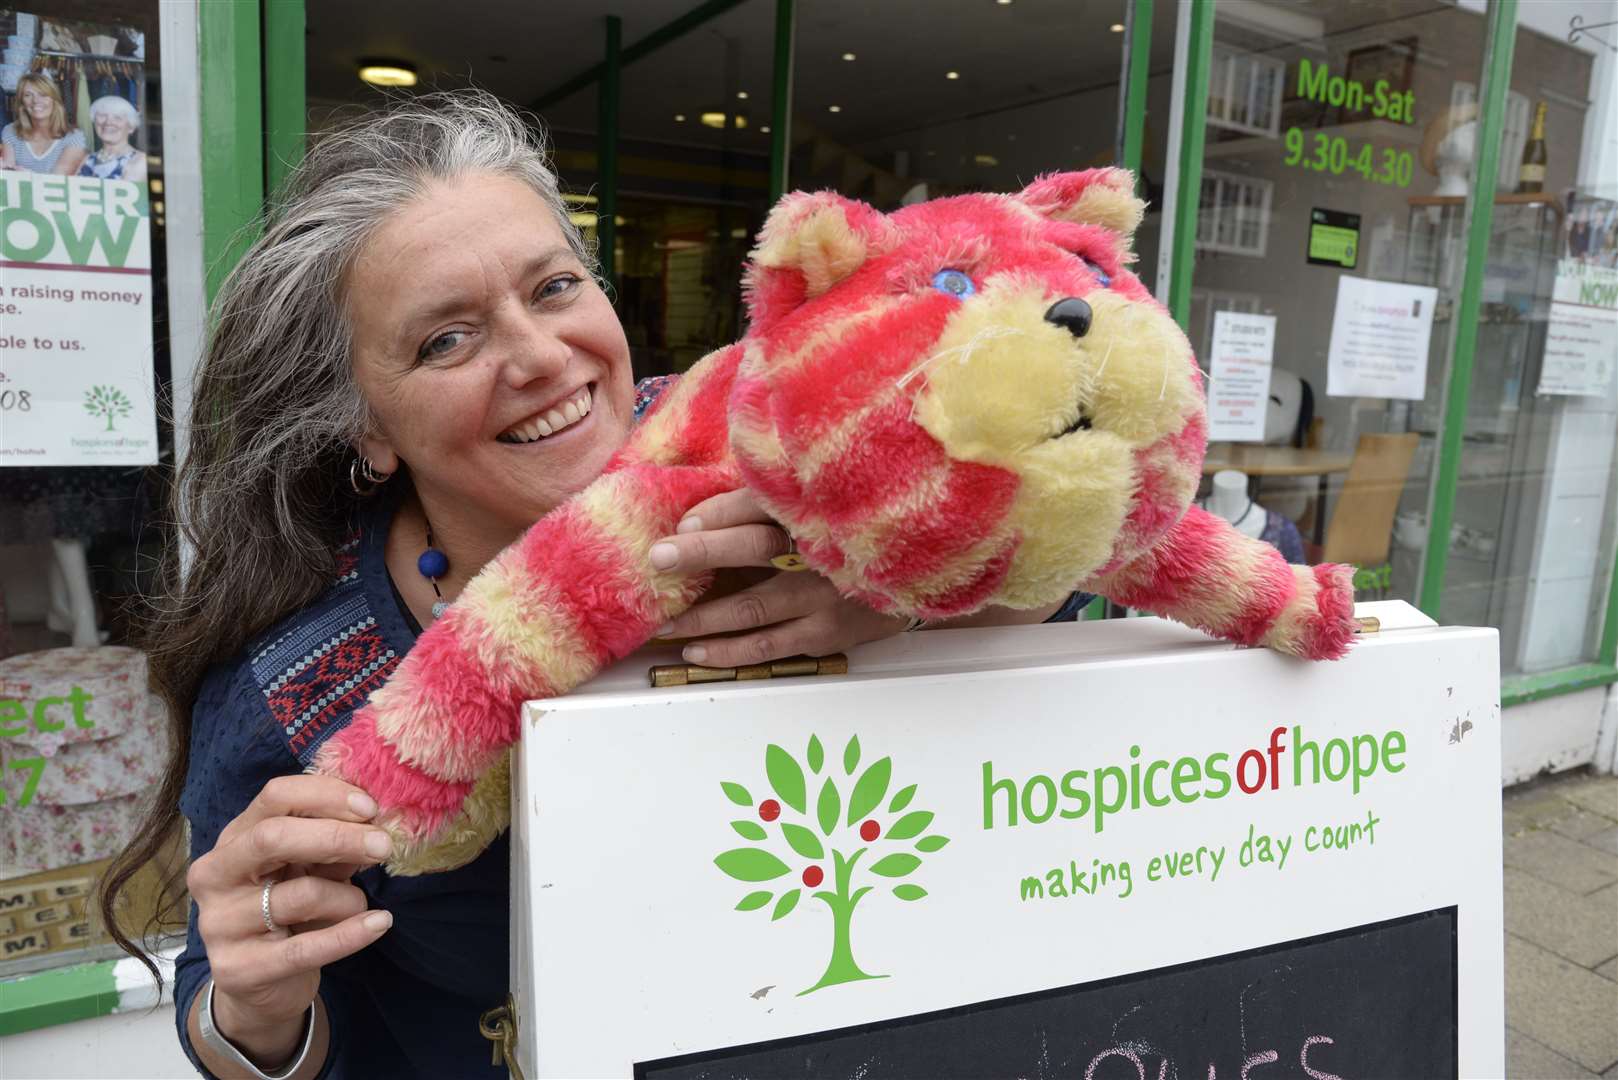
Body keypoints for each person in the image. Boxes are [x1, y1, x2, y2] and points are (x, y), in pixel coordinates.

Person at [100, 90, 1085, 1079]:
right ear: (367, 426)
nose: (538, 357)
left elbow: (1089, 573)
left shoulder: (797, 454)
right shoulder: (294, 688)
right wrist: (254, 1007)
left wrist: (922, 583)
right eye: (446, 340)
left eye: (554, 288)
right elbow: (241, 1022)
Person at [0, 72, 87, 175]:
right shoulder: (10, 131)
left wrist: (27, 174)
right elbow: (9, 177)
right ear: (22, 102)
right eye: (28, 95)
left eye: (43, 95)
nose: (36, 101)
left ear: (55, 100)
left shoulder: (74, 137)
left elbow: (58, 183)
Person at [77, 95, 147, 183]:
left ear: (131, 127)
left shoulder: (140, 161)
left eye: (117, 118)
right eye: (102, 115)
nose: (108, 122)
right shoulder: (88, 159)